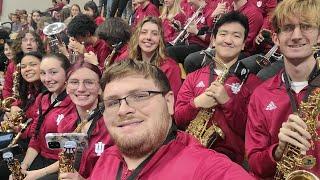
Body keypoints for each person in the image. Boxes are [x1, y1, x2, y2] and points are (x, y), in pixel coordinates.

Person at [60, 59, 254, 179]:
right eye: (112, 102)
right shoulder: (107, 159)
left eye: (140, 96)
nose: (123, 109)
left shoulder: (206, 168)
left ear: (169, 102)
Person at [174, 11, 261, 165]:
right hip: (190, 155)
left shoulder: (252, 83)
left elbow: (251, 131)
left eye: (236, 36)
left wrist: (227, 102)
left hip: (228, 162)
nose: (228, 40)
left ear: (243, 45)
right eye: (223, 34)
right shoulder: (193, 77)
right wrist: (196, 103)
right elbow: (178, 118)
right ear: (213, 39)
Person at [245, 0, 320, 178]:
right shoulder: (260, 95)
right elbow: (255, 163)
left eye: (306, 26)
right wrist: (277, 151)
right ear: (276, 38)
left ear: (319, 36)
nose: (296, 35)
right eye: (287, 28)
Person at [23, 61, 113, 179]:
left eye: (89, 82)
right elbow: (67, 161)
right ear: (67, 87)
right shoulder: (66, 123)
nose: (80, 89)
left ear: (101, 89)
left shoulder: (112, 125)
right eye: (74, 82)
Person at [17, 54, 73, 180]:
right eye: (42, 73)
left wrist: (39, 173)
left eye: (53, 72)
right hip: (41, 159)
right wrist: (23, 167)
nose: (47, 79)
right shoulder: (43, 98)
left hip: (62, 166)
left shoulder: (75, 102)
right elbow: (35, 138)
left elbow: (73, 154)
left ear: (68, 73)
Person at [116, 16, 182, 99]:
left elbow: (172, 102)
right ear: (137, 36)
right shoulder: (129, 62)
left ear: (160, 39)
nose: (148, 37)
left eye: (154, 34)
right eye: (144, 32)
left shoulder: (171, 67)